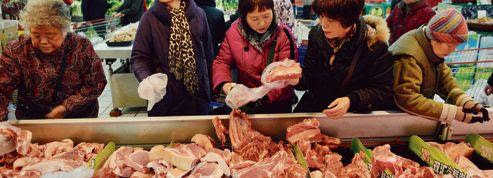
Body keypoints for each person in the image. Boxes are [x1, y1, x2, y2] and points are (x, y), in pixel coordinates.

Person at [0, 0, 107, 120]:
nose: (44, 41)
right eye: (36, 35)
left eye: (51, 35)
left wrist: (66, 107)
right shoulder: (16, 50)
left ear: (65, 30)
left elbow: (96, 83)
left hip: (78, 118)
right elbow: (2, 88)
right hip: (34, 120)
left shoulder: (80, 46)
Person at [293, 0, 394, 119]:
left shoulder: (374, 45)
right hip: (315, 111)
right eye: (321, 16)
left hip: (349, 117)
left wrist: (351, 100)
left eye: (330, 20)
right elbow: (309, 78)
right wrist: (295, 79)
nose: (324, 24)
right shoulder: (316, 34)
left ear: (349, 19)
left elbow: (382, 90)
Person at [392, 9, 489, 124]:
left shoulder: (431, 50)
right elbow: (407, 98)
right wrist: (453, 112)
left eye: (456, 46)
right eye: (449, 45)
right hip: (387, 119)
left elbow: (447, 84)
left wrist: (467, 103)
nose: (453, 50)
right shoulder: (409, 57)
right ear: (434, 38)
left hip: (406, 119)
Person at [212, 0, 298, 114]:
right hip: (245, 102)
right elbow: (222, 62)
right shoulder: (234, 32)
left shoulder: (284, 34)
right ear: (244, 17)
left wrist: (259, 94)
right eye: (254, 19)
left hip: (277, 104)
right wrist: (227, 86)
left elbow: (287, 74)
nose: (262, 23)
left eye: (266, 16)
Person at [131, 0, 214, 116]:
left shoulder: (199, 14)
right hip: (164, 100)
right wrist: (147, 80)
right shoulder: (149, 18)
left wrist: (210, 87)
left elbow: (208, 54)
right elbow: (139, 58)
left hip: (197, 99)